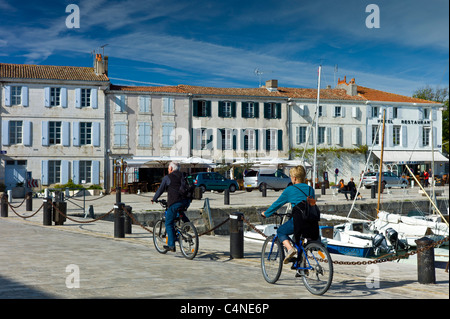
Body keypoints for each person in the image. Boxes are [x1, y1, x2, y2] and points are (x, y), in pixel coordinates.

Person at [261, 166, 315, 264]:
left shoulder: (290, 189)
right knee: (299, 241)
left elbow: (277, 204)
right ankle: (302, 267)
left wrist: (266, 213)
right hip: (311, 222)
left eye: (290, 176)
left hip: (298, 221)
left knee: (281, 231)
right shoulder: (310, 189)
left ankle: (290, 249)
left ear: (294, 178)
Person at [152, 161, 191, 252]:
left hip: (175, 202)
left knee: (168, 223)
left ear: (171, 169)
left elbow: (160, 189)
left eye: (168, 168)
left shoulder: (167, 178)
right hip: (186, 201)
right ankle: (187, 224)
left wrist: (154, 198)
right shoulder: (183, 176)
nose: (168, 170)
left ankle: (171, 245)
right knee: (179, 211)